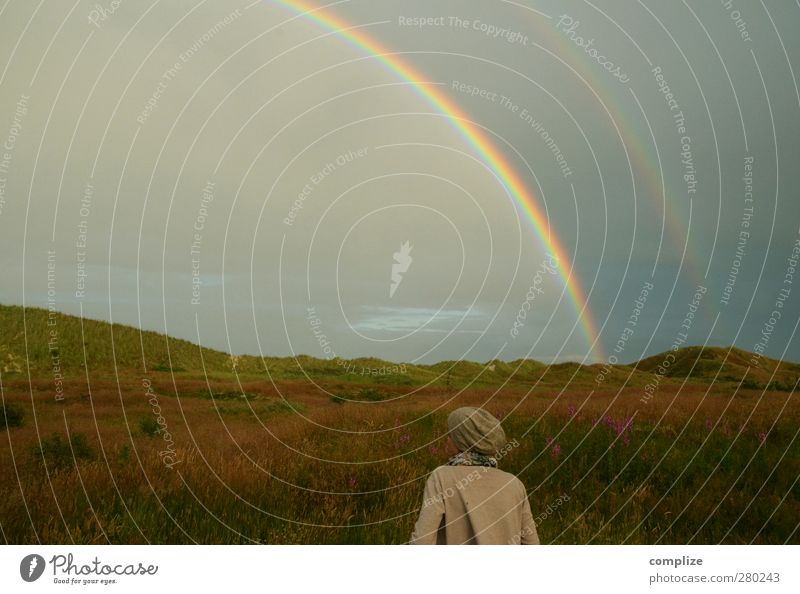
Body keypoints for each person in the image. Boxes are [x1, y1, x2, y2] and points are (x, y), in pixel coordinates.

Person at [409, 407, 539, 544]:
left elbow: (422, 541)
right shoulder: (514, 483)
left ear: (464, 440)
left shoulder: (441, 477)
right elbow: (532, 543)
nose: (447, 439)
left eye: (451, 434)